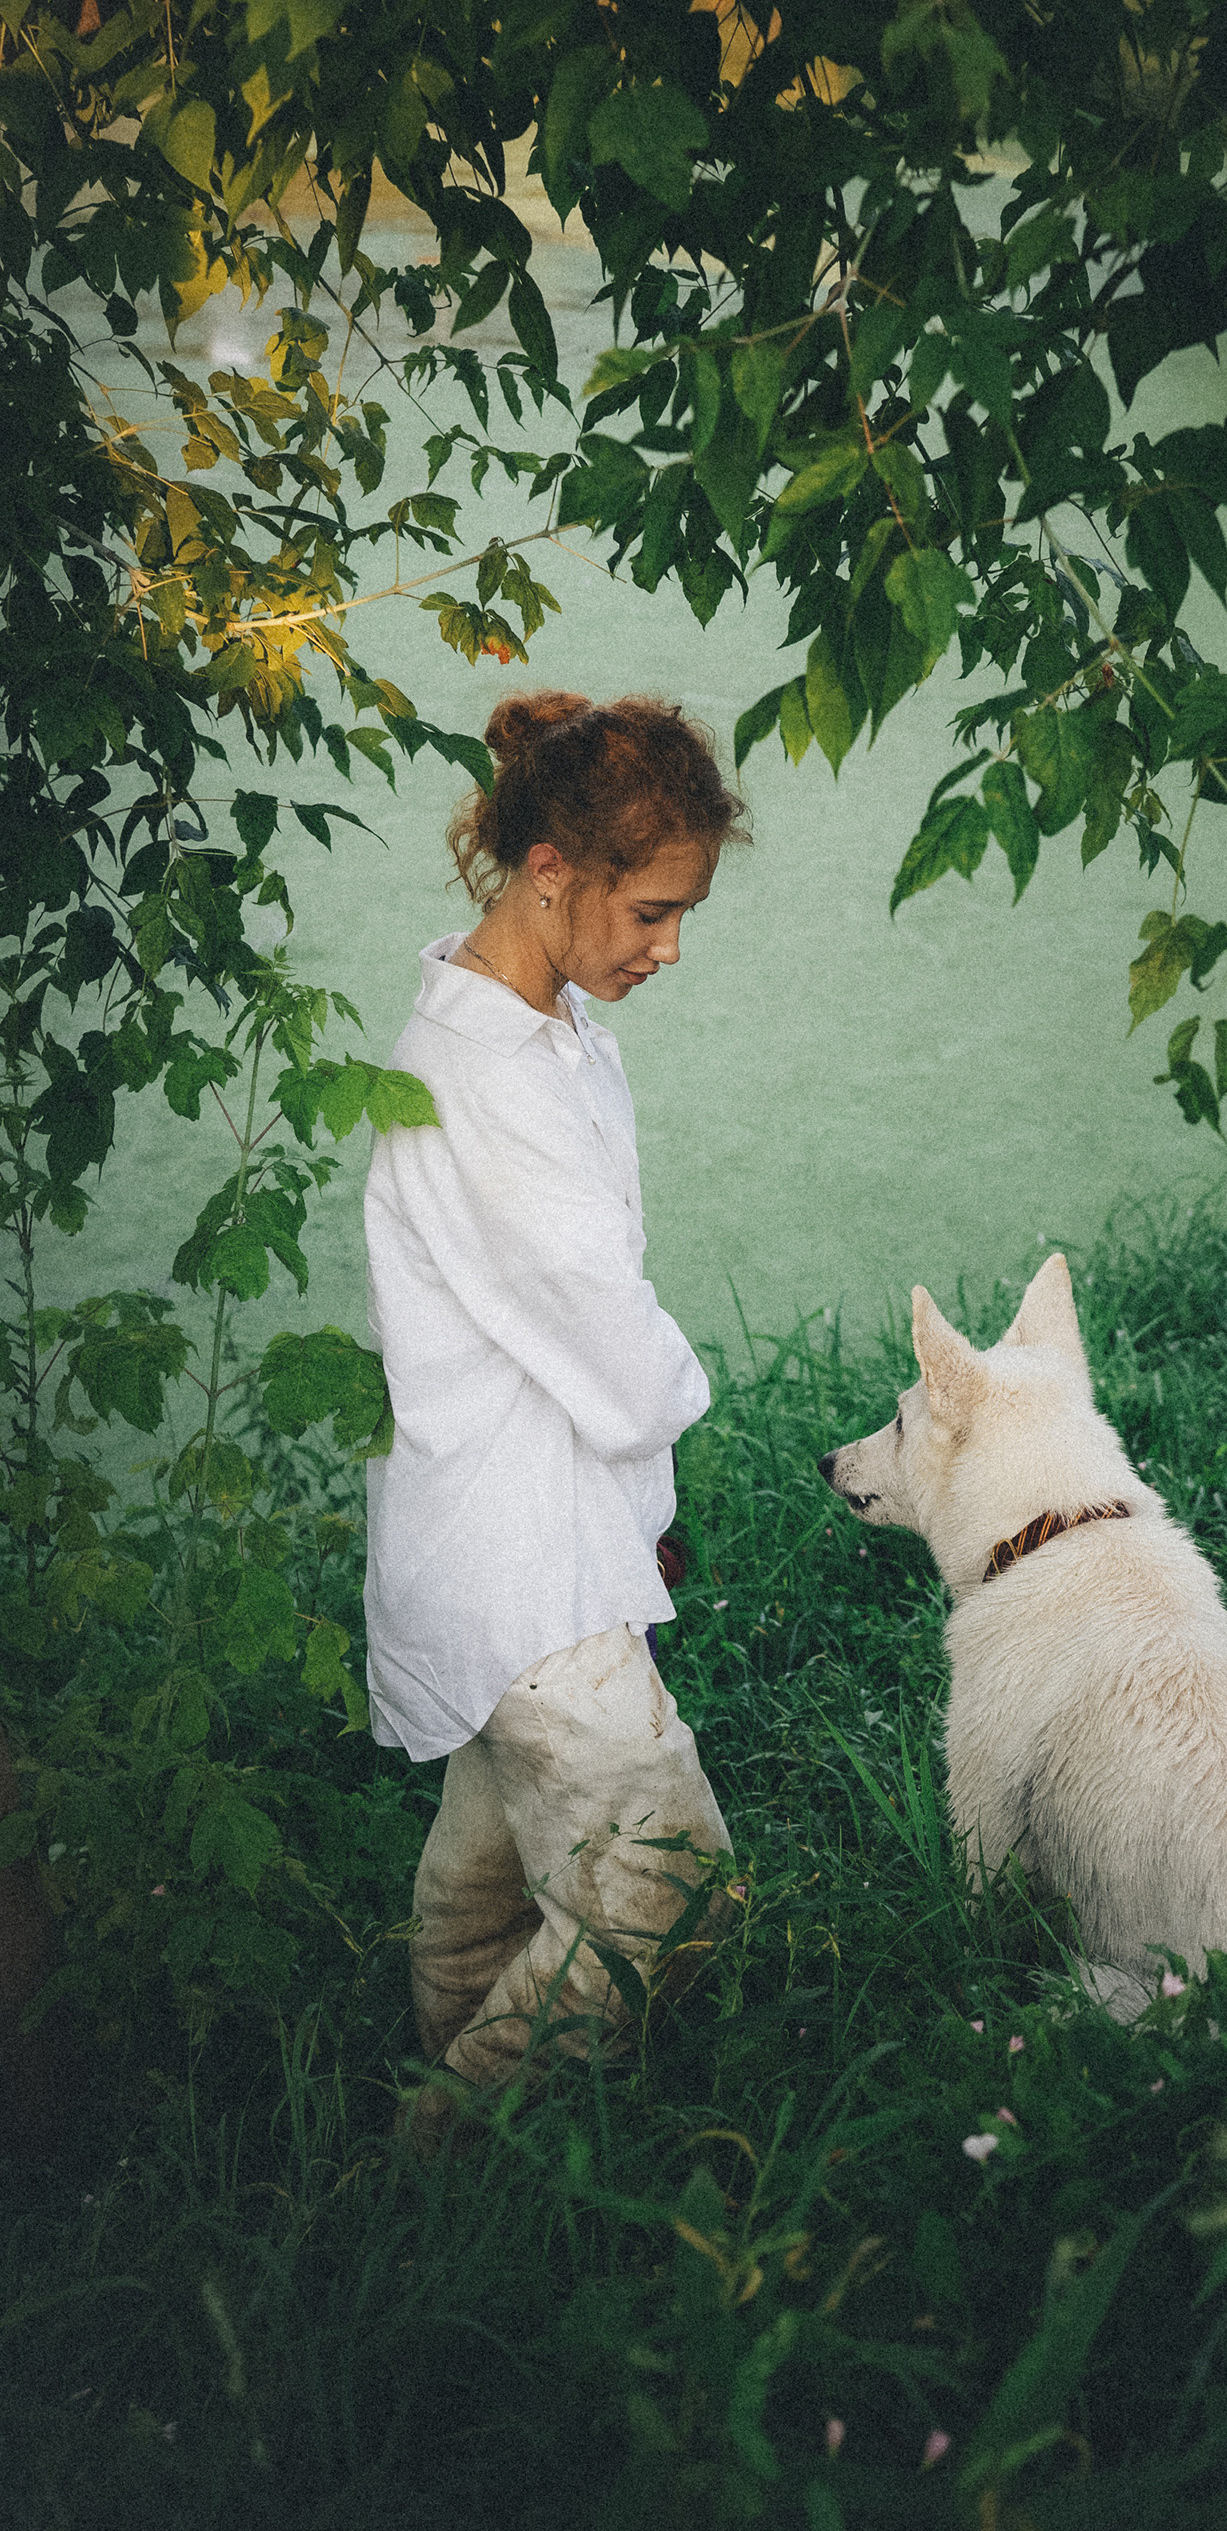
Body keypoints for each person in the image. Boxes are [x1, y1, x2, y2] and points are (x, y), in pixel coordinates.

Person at [363, 688, 747, 2142]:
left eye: (681, 914)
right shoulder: (481, 1082)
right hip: (519, 1565)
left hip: (534, 1537)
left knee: (488, 1882)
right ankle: (434, 2160)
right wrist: (670, 1424)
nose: (666, 948)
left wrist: (640, 1510)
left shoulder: (547, 1025)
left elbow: (583, 1331)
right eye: (649, 911)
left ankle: (494, 2196)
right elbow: (618, 1356)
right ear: (550, 873)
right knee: (667, 1890)